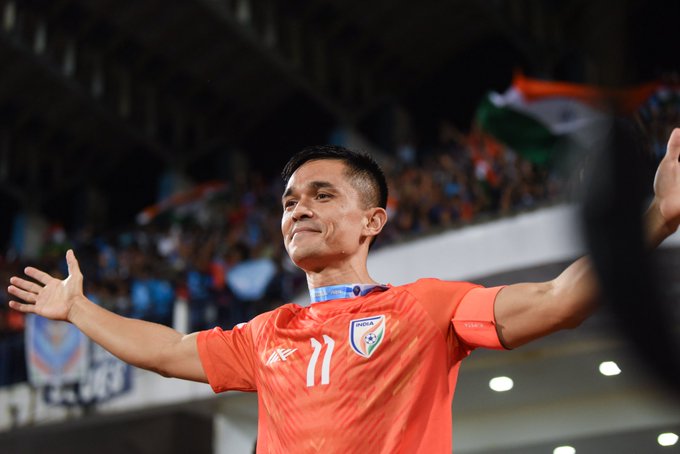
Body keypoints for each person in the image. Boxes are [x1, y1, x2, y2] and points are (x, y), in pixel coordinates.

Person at [7, 129, 680, 453]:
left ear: (372, 221)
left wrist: (658, 216)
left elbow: (560, 301)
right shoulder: (268, 334)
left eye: (322, 195)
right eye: (289, 201)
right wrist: (79, 310)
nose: (297, 209)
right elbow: (168, 351)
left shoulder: (427, 306)